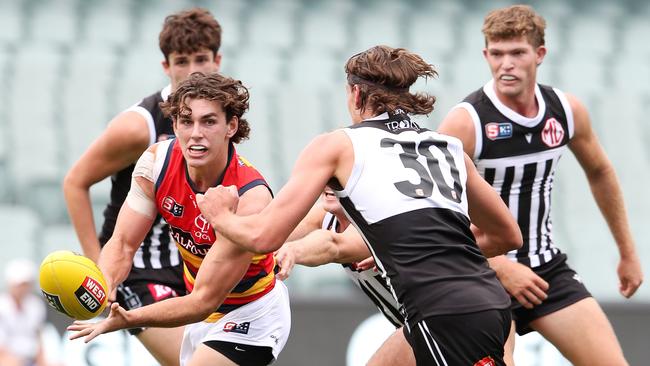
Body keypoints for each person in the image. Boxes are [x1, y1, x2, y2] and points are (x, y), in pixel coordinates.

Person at [194, 45, 523, 365]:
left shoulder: (338, 146)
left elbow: (264, 236)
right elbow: (508, 236)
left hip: (444, 315)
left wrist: (219, 215)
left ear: (355, 95)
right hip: (483, 302)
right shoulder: (448, 147)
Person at [436, 5, 643, 365]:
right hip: (482, 275)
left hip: (545, 270)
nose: (506, 64)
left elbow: (600, 172)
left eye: (517, 53)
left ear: (540, 54)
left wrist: (627, 253)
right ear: (486, 55)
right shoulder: (466, 122)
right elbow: (431, 209)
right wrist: (501, 266)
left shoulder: (564, 110)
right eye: (497, 54)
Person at [68, 72, 291, 366]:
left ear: (231, 126)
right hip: (201, 313)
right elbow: (122, 244)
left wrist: (128, 319)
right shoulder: (156, 163)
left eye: (209, 121)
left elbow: (203, 301)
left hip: (251, 313)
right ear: (174, 125)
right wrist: (105, 282)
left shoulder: (251, 198)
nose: (196, 132)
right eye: (186, 121)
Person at [62, 8, 223, 365]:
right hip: (139, 270)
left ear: (218, 60)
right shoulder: (141, 126)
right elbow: (75, 181)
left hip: (194, 268)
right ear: (166, 66)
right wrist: (98, 267)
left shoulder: (217, 121)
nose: (193, 70)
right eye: (182, 61)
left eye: (202, 59)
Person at [275, 188, 415, 365]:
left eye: (340, 174)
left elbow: (333, 245)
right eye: (328, 175)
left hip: (437, 319)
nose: (330, 185)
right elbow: (269, 238)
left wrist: (293, 251)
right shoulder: (326, 217)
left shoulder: (378, 217)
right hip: (418, 324)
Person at [0, 259, 49, 366]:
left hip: (30, 360)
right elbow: (1, 350)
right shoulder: (2, 306)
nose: (22, 289)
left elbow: (39, 337)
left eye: (25, 284)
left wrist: (43, 362)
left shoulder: (36, 305)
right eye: (19, 284)